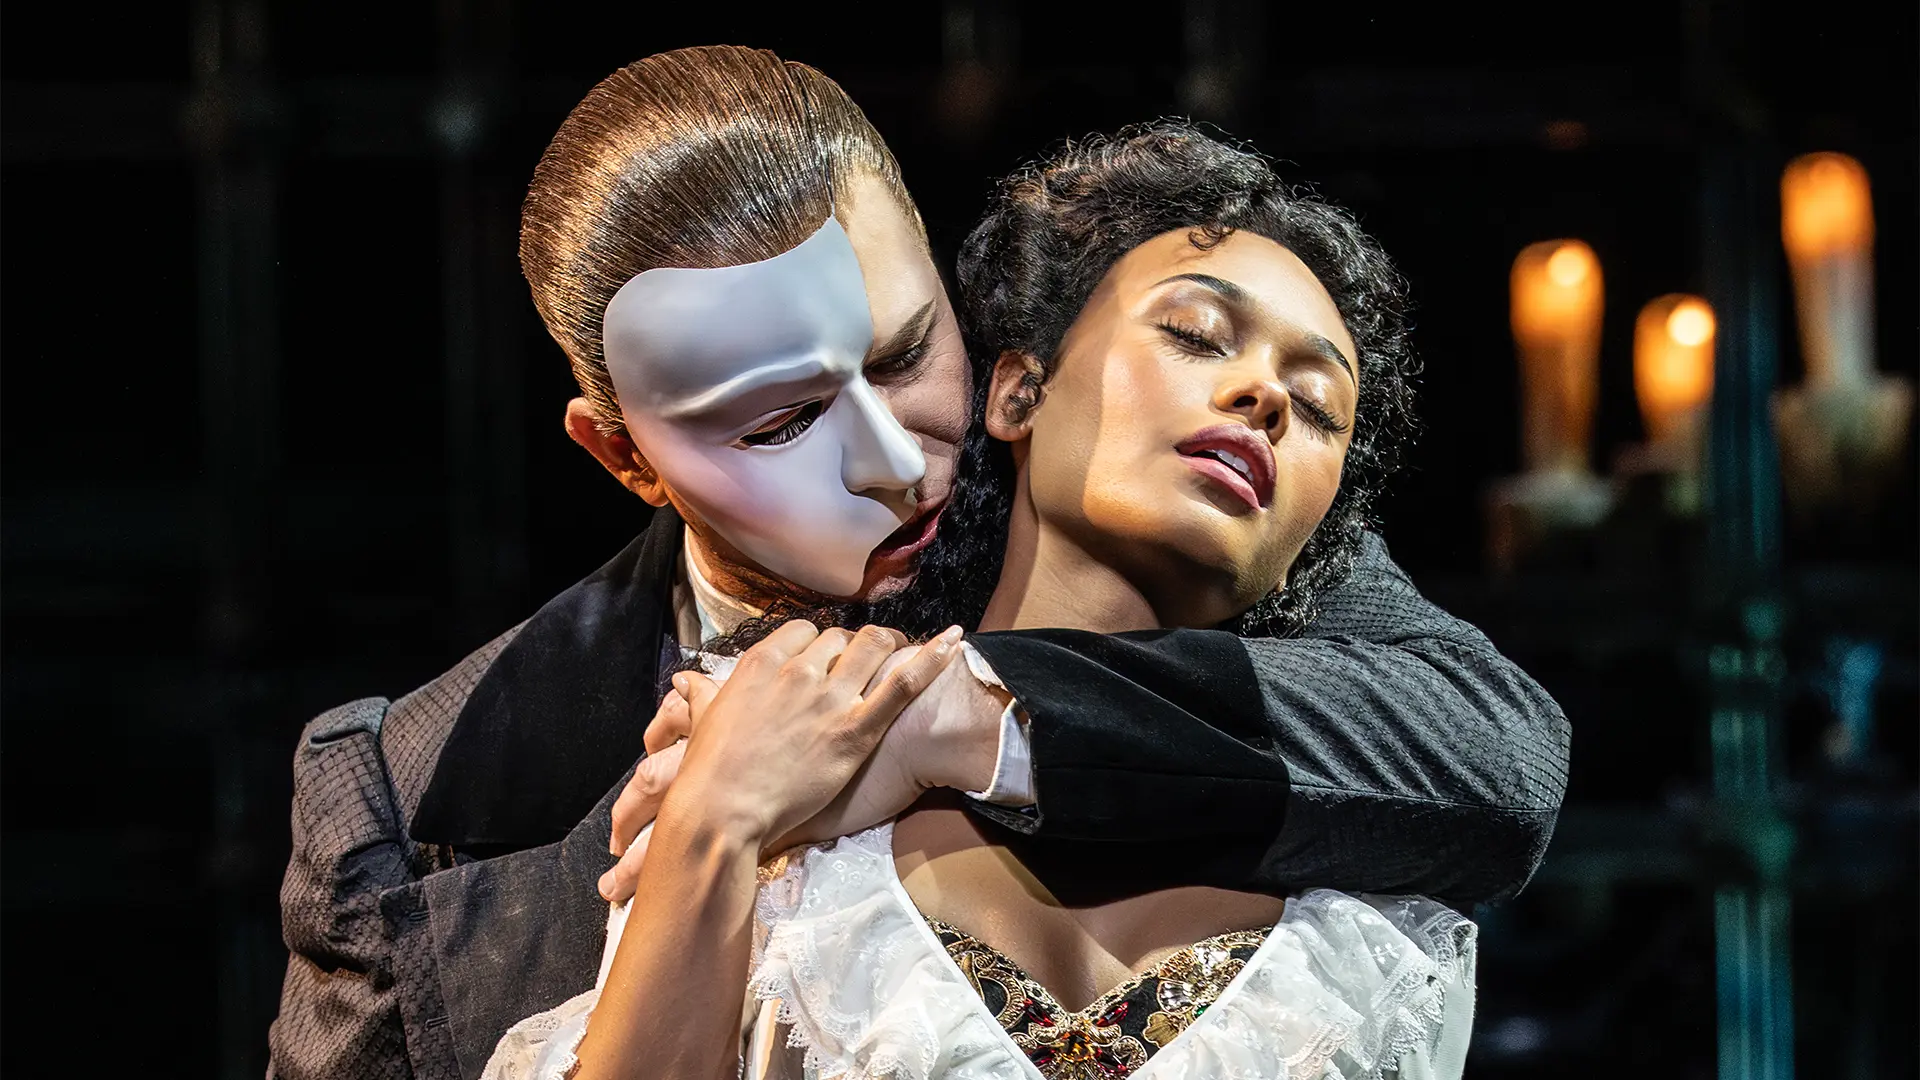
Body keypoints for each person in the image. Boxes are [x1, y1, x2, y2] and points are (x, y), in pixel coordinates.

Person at [267, 47, 1567, 1080]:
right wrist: (720, 815)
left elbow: (1494, 748)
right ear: (624, 458)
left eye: (904, 354)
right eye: (780, 424)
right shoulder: (420, 793)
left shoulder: (1132, 492)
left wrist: (962, 712)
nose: (893, 459)